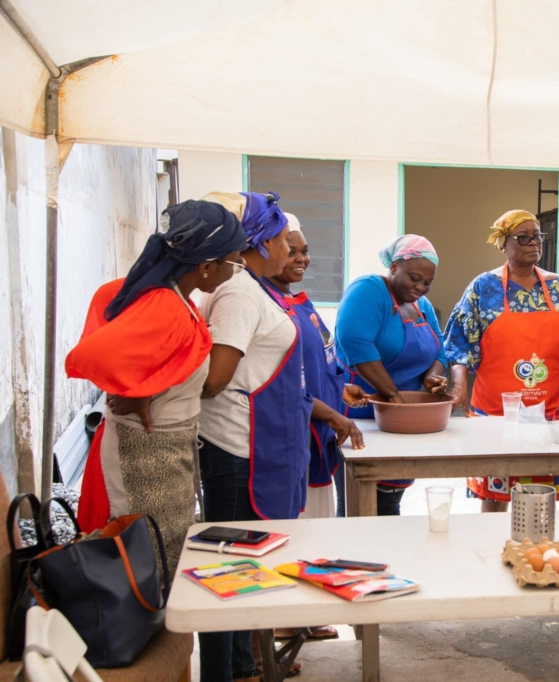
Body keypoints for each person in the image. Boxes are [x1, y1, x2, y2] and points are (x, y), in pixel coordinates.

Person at [198, 191, 363, 682]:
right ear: (263, 240)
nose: (290, 251)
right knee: (225, 576)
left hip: (261, 444)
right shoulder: (239, 293)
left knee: (247, 571)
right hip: (237, 449)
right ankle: (225, 673)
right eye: (284, 242)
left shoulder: (255, 288)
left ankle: (245, 665)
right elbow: (215, 379)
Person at [66, 200, 247, 574]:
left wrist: (144, 383)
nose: (236, 271)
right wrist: (132, 389)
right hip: (146, 454)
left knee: (161, 557)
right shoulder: (165, 303)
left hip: (164, 449)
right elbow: (98, 354)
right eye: (235, 262)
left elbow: (115, 304)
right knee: (147, 561)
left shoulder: (174, 298)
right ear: (207, 266)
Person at [445, 209, 559, 511]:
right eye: (522, 237)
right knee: (494, 498)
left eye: (537, 236)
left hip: (547, 415)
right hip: (495, 415)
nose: (532, 243)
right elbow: (460, 339)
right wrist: (459, 386)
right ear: (503, 245)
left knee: (540, 500)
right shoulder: (483, 288)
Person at [335, 234, 448, 516]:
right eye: (414, 278)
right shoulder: (369, 290)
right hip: (362, 422)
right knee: (359, 508)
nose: (421, 287)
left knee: (389, 504)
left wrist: (431, 378)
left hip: (403, 423)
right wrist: (395, 398)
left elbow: (439, 353)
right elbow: (356, 343)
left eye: (428, 283)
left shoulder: (422, 307)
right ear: (395, 266)